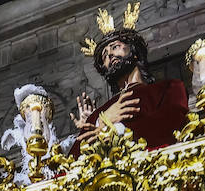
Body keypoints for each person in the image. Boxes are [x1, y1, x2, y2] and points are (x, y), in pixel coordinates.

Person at [69, 19, 188, 153]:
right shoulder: (97, 116)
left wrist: (111, 128)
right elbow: (72, 160)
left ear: (135, 52)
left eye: (115, 47)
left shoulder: (168, 88)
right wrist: (100, 122)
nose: (109, 55)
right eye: (104, 56)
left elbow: (173, 125)